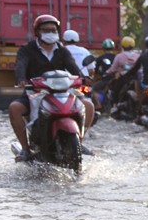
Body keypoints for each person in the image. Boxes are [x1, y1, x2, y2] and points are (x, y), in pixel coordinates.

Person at [9, 14, 94, 160]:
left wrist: (82, 78)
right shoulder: (27, 49)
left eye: (53, 30)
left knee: (88, 105)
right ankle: (25, 149)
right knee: (14, 108)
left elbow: (72, 66)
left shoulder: (62, 50)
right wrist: (21, 78)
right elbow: (21, 64)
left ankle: (79, 141)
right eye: (46, 30)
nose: (50, 33)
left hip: (62, 90)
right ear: (37, 32)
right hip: (34, 91)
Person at [104, 36, 141, 109]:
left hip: (123, 78)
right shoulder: (138, 56)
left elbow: (113, 69)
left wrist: (107, 72)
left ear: (123, 45)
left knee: (115, 89)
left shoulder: (119, 56)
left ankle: (115, 104)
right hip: (136, 78)